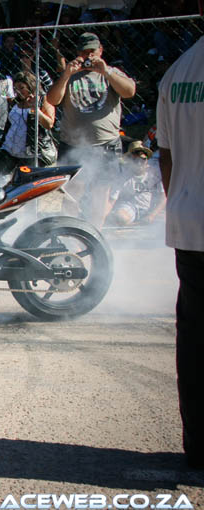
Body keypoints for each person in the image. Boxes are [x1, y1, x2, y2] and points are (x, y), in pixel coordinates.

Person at [156, 35, 204, 469]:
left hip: (190, 222)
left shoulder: (178, 72)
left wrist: (183, 204)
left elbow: (165, 156)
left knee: (194, 340)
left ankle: (199, 445)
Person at [46, 32, 136, 227]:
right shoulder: (70, 75)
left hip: (106, 144)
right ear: (78, 52)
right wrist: (67, 74)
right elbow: (52, 100)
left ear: (101, 51)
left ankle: (95, 235)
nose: (89, 57)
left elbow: (129, 91)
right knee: (70, 193)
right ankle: (70, 234)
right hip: (73, 144)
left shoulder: (111, 72)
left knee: (100, 194)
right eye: (84, 52)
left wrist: (107, 72)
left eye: (92, 52)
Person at [0, 71, 56, 185]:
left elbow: (49, 124)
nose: (18, 91)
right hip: (10, 149)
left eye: (22, 88)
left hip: (31, 150)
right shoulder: (15, 102)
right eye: (15, 88)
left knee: (27, 184)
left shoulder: (43, 100)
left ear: (30, 86)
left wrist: (36, 109)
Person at [105, 141, 164, 226]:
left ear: (147, 160)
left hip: (152, 210)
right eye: (136, 159)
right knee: (121, 217)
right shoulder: (123, 176)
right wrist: (102, 216)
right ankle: (132, 224)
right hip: (130, 207)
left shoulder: (155, 172)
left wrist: (152, 215)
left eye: (143, 159)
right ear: (129, 160)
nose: (139, 163)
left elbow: (164, 196)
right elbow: (112, 200)